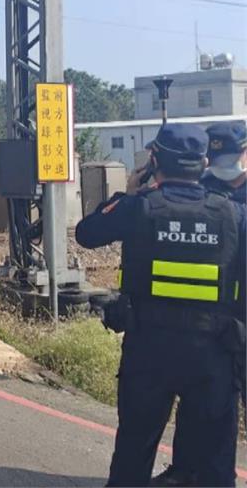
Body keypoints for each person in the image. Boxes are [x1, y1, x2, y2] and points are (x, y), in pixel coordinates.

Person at [75, 123, 245, 487]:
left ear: (154, 160)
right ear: (203, 162)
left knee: (134, 450)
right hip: (214, 353)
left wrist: (127, 193)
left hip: (148, 350)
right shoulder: (233, 215)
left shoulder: (138, 208)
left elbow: (86, 233)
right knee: (216, 462)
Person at [153, 120, 247, 486]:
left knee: (226, 406)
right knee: (196, 398)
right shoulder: (200, 188)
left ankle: (216, 477)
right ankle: (186, 470)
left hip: (238, 313)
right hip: (205, 315)